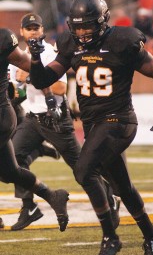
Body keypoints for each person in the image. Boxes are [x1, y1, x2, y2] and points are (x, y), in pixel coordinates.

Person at [28, 0, 153, 255]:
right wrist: (34, 58)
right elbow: (44, 79)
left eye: (87, 26)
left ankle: (110, 237)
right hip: (94, 124)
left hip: (119, 120)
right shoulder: (71, 45)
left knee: (83, 171)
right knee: (122, 188)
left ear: (102, 22)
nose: (81, 33)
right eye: (77, 27)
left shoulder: (121, 41)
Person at [8, 13, 120, 231]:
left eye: (36, 28)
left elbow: (61, 87)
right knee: (14, 159)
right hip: (32, 117)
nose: (32, 31)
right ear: (21, 32)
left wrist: (30, 77)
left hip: (55, 118)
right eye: (28, 28)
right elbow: (17, 92)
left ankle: (110, 196)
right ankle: (29, 206)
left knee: (82, 168)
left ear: (42, 30)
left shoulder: (49, 52)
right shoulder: (18, 56)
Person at [0, 27, 69, 232]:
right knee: (10, 172)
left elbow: (33, 69)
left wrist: (48, 95)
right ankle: (52, 196)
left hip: (1, 115)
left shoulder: (3, 38)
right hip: (6, 114)